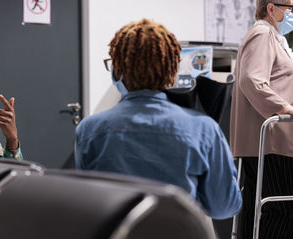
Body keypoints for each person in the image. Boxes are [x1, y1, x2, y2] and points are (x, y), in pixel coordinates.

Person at [74, 19, 241, 219]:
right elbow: (224, 207)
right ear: (171, 71)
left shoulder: (89, 130)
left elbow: (89, 202)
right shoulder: (204, 130)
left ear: (118, 71)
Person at [230, 0, 293, 239]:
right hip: (272, 140)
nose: (291, 13)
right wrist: (286, 107)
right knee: (280, 210)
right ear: (271, 8)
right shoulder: (263, 34)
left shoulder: (274, 37)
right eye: (289, 7)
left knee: (267, 210)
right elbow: (252, 80)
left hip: (270, 140)